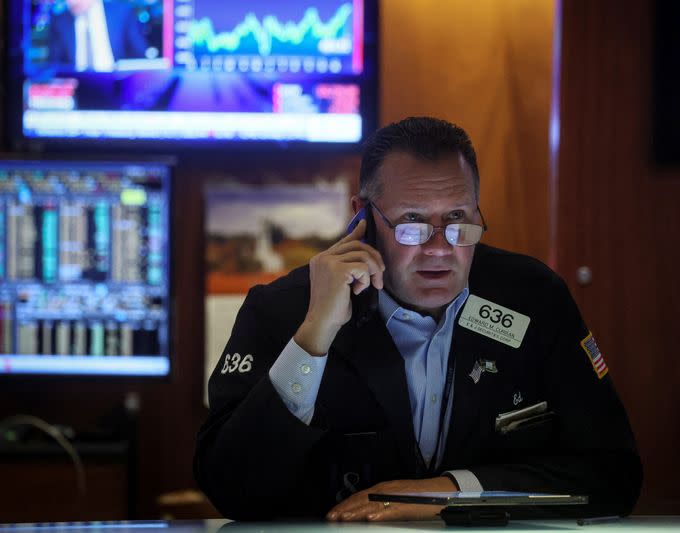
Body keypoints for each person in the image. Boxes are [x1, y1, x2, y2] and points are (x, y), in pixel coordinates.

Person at [194, 117, 643, 521]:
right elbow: (232, 490)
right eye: (412, 223)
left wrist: (447, 492)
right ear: (364, 217)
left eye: (457, 219)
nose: (439, 249)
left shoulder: (534, 299)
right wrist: (314, 338)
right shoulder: (284, 311)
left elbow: (613, 473)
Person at [48, 0, 148, 72]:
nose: (71, 2)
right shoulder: (60, 21)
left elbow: (139, 55)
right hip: (78, 88)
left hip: (117, 84)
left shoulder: (122, 12)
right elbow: (55, 65)